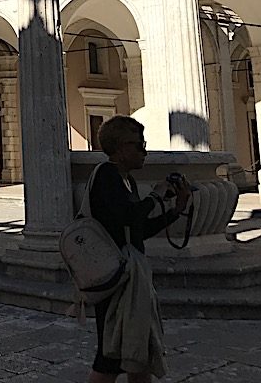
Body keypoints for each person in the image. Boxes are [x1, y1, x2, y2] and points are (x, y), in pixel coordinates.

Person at [87, 115, 191, 383]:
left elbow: (139, 229)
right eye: (139, 145)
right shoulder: (106, 175)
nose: (144, 151)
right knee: (110, 355)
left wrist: (175, 211)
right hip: (114, 275)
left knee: (139, 352)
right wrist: (155, 196)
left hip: (131, 271)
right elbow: (126, 216)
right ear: (121, 148)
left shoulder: (127, 181)